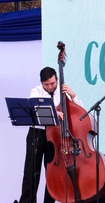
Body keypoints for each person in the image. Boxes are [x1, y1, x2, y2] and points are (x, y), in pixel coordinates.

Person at [18, 67, 83, 203]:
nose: (50, 87)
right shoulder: (36, 91)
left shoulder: (63, 92)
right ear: (41, 82)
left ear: (57, 80)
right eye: (46, 84)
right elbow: (35, 106)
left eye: (52, 83)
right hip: (37, 134)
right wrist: (54, 112)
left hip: (55, 136)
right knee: (31, 172)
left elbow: (80, 111)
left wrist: (73, 95)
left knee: (52, 173)